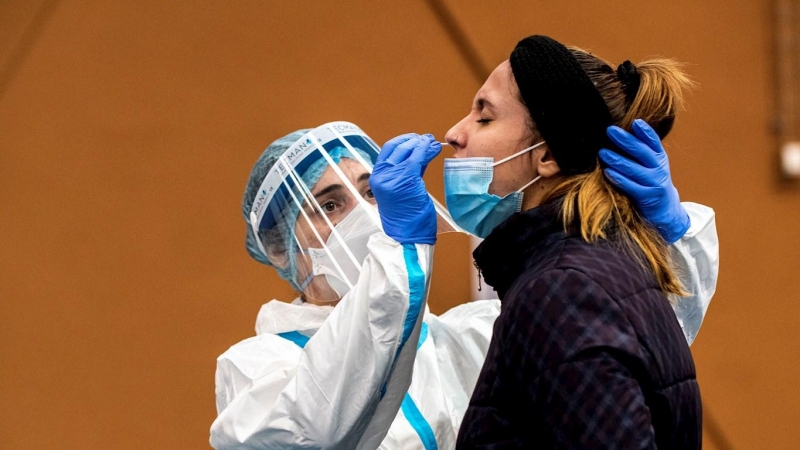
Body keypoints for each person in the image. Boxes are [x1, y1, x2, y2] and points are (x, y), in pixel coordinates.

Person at [210, 125, 717, 448]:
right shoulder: (257, 369)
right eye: (330, 205)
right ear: (278, 250)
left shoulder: (468, 337)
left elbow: (635, 337)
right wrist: (402, 251)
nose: (365, 215)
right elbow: (316, 429)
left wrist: (672, 236)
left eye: (370, 192)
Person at [450, 35, 704, 448]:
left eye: (484, 117)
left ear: (547, 155)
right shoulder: (601, 268)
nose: (454, 134)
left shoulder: (562, 291)